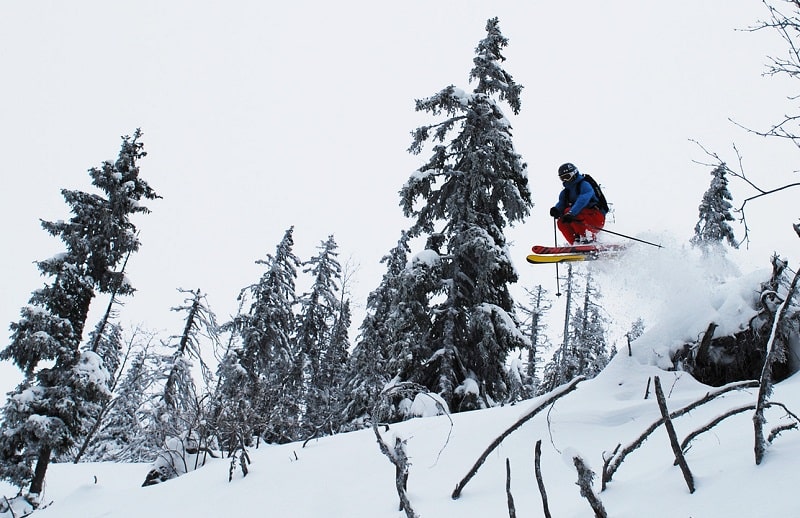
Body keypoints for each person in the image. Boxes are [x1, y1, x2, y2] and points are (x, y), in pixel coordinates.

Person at [549, 163, 607, 244]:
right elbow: (561, 203)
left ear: (574, 174)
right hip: (581, 218)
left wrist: (571, 213)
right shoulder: (565, 192)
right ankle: (575, 243)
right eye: (562, 178)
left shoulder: (584, 185)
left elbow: (582, 200)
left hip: (596, 217)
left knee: (568, 211)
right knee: (561, 221)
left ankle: (587, 238)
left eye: (567, 177)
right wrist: (556, 210)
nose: (565, 180)